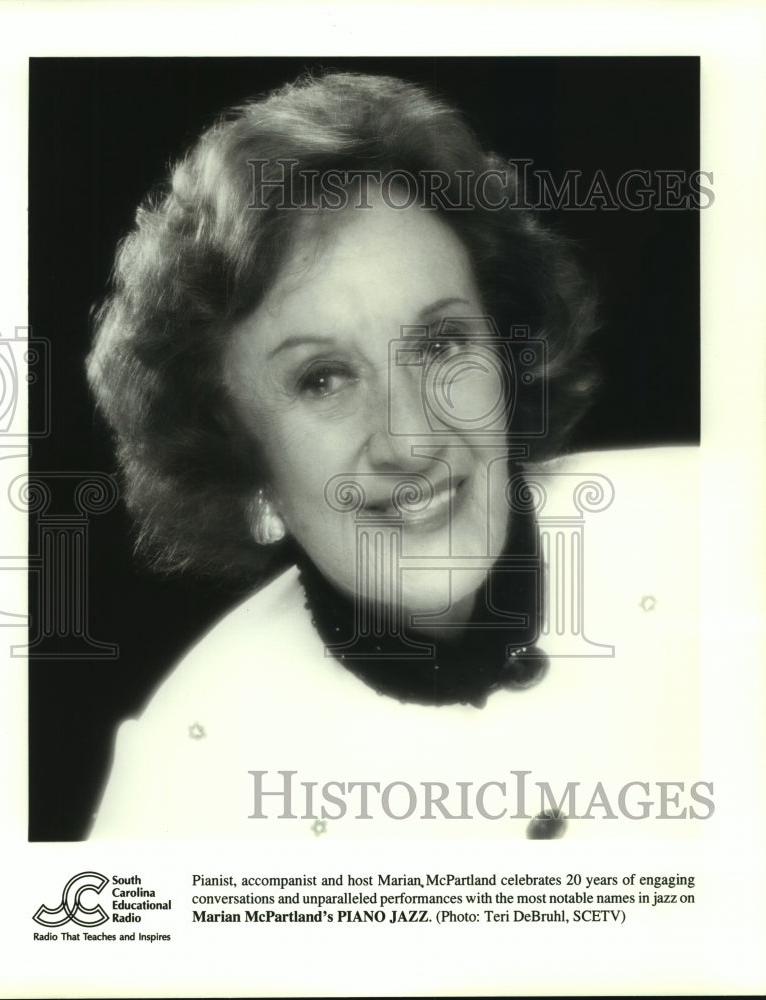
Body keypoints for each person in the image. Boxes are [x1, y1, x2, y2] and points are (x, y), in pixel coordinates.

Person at [87, 72, 701, 841]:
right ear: (245, 467)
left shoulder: (725, 533)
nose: (411, 438)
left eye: (442, 343)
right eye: (322, 379)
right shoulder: (185, 780)